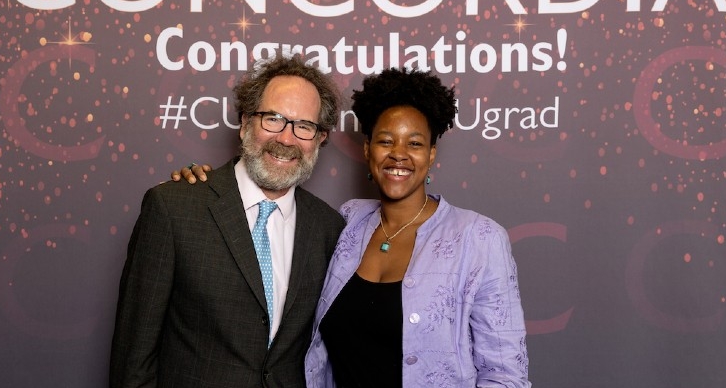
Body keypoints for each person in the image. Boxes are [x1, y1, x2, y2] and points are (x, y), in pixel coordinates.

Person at [177, 67, 531, 387]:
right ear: (367, 150)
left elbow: (506, 376)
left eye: (415, 144)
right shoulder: (345, 225)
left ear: (432, 154)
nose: (399, 154)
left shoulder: (479, 239)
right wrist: (209, 185)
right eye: (386, 141)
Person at [109, 54, 346, 388]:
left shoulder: (329, 229)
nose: (287, 139)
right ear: (246, 120)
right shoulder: (174, 208)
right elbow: (133, 358)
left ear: (320, 138)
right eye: (273, 119)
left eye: (303, 126)